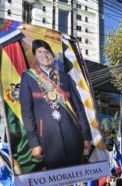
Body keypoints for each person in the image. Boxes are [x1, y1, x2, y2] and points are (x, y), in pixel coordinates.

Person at [20, 39, 92, 170]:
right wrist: (34, 143)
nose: (44, 55)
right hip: (47, 141)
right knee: (56, 183)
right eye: (39, 52)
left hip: (74, 139)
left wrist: (86, 136)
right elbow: (27, 113)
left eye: (47, 52)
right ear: (35, 56)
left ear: (52, 56)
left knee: (78, 178)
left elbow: (79, 108)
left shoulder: (65, 78)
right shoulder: (28, 78)